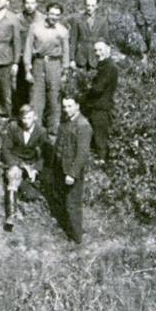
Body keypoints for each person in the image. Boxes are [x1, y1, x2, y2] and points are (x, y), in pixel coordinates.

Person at [24, 2, 71, 137]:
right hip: (38, 63)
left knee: (54, 100)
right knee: (36, 99)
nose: (54, 17)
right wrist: (27, 69)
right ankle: (35, 133)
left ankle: (53, 133)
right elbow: (28, 49)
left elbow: (66, 53)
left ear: (60, 16)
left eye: (57, 15)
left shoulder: (63, 31)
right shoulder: (35, 27)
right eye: (51, 14)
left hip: (55, 65)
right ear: (47, 13)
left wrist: (65, 72)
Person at [53, 94, 92, 244]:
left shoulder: (83, 125)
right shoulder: (65, 121)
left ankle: (77, 238)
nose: (66, 109)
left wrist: (72, 173)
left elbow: (82, 154)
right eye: (64, 106)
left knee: (72, 204)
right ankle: (69, 230)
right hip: (60, 168)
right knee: (63, 200)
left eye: (70, 106)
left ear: (77, 106)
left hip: (71, 171)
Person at [0, 105, 46, 230]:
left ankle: (23, 190)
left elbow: (44, 154)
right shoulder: (13, 127)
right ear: (20, 118)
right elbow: (5, 150)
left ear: (35, 118)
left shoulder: (41, 131)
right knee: (14, 176)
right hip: (16, 162)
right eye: (24, 118)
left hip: (31, 164)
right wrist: (16, 164)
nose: (26, 121)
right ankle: (11, 215)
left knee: (32, 195)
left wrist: (36, 169)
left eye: (29, 118)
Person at [79, 41, 118, 161]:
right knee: (96, 139)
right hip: (97, 107)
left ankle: (101, 167)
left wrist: (83, 96)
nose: (97, 53)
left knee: (100, 140)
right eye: (96, 50)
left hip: (101, 109)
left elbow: (98, 88)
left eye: (101, 50)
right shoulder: (104, 66)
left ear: (108, 50)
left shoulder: (109, 67)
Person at [14, 0, 45, 110]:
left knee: (36, 86)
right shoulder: (17, 18)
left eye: (32, 3)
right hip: (22, 56)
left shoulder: (42, 18)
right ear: (23, 4)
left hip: (36, 57)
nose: (29, 5)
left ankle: (34, 111)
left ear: (37, 4)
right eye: (27, 3)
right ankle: (21, 112)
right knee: (21, 85)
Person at [69, 0, 111, 71]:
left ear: (97, 6)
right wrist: (71, 59)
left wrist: (105, 56)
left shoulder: (102, 20)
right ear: (85, 5)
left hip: (96, 59)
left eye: (92, 6)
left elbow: (105, 39)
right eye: (88, 5)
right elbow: (73, 40)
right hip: (81, 58)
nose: (89, 8)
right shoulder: (77, 19)